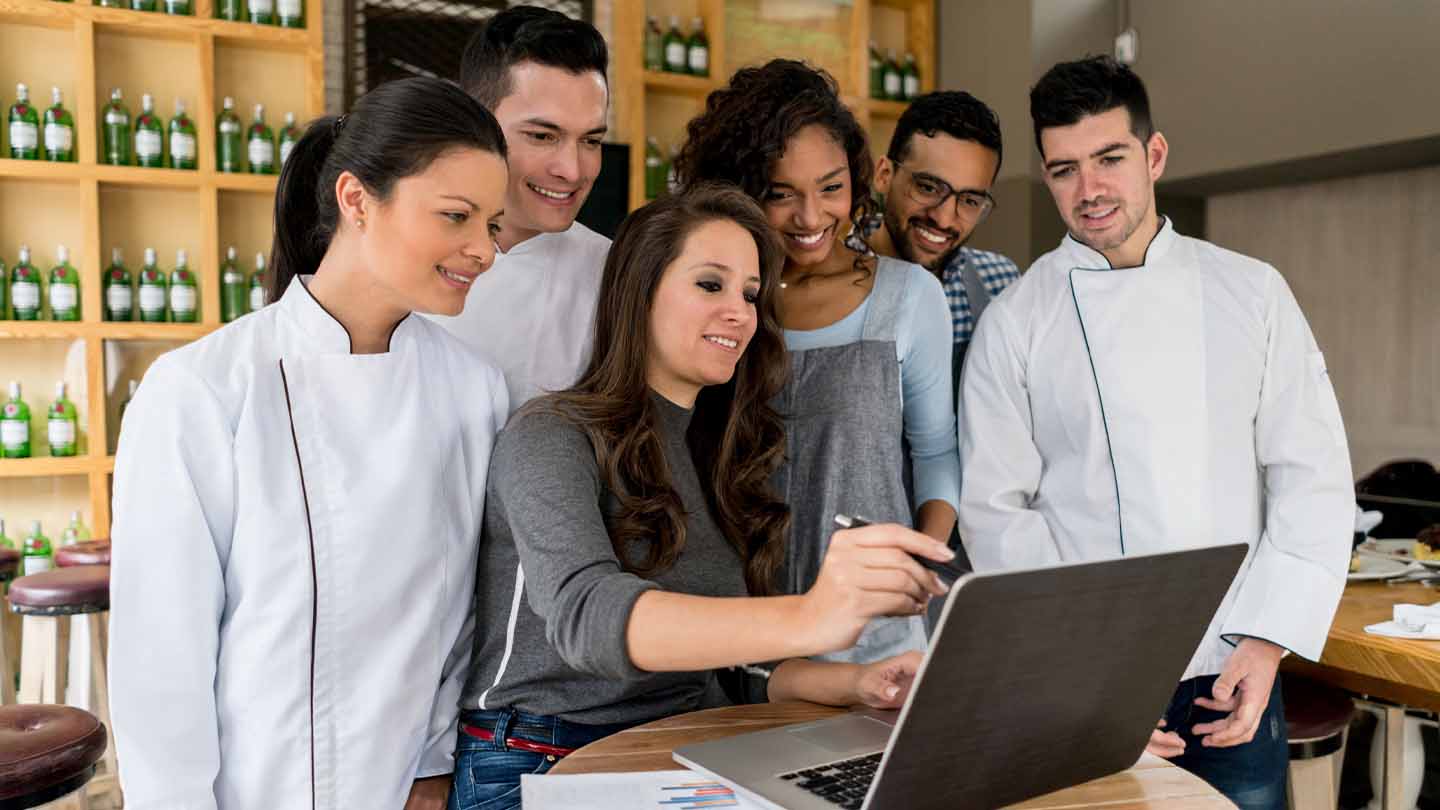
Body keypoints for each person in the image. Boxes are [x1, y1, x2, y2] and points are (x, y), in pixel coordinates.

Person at [449, 184, 950, 810]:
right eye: (710, 285)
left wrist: (857, 682)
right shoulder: (550, 434)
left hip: (683, 755)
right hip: (536, 762)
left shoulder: (718, 455)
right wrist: (813, 614)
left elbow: (726, 675)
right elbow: (588, 618)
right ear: (641, 292)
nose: (740, 312)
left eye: (749, 292)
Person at [958, 55, 1353, 810]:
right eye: (1065, 169)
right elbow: (997, 515)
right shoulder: (1016, 323)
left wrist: (1268, 643)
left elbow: (1312, 473)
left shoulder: (1252, 292)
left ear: (1154, 155)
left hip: (1231, 671)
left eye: (1109, 159)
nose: (1090, 189)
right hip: (1084, 688)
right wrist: (1090, 690)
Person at [109, 77, 510, 810]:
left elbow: (461, 615)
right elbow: (160, 662)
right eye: (457, 216)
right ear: (356, 200)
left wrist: (432, 765)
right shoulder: (202, 391)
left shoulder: (473, 390)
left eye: (493, 224)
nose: (483, 250)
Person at [673, 60, 959, 663]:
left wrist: (916, 575)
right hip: (735, 630)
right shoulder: (719, 305)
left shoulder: (909, 297)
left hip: (874, 637)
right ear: (740, 190)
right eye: (781, 194)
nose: (810, 217)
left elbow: (935, 453)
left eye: (831, 187)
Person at [427, 5, 612, 404]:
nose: (572, 170)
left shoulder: (618, 276)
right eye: (543, 136)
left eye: (591, 141)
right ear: (475, 122)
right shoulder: (404, 260)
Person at [869, 91, 1022, 380]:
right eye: (928, 187)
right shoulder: (827, 279)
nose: (944, 218)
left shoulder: (1001, 281)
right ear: (884, 175)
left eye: (969, 201)